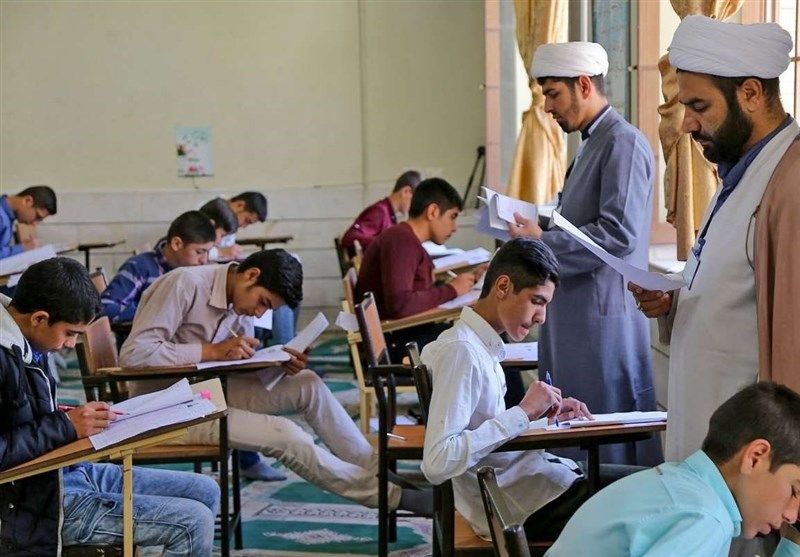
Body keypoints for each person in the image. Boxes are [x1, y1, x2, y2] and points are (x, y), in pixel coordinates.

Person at [118, 250, 428, 514]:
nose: (259, 312)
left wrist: (278, 363)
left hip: (208, 392)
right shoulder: (185, 283)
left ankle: (378, 472)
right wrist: (212, 350)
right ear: (250, 275)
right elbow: (133, 354)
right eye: (263, 303)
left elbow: (227, 365)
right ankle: (394, 497)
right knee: (285, 434)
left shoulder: (237, 299)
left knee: (307, 382)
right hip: (167, 407)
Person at [628, 16, 799, 461]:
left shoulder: (790, 183)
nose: (687, 124)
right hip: (710, 437)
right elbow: (735, 292)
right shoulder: (738, 172)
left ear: (751, 93)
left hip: (754, 458)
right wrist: (675, 302)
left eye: (700, 107)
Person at [0, 257, 219, 555]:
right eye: (70, 334)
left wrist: (62, 415)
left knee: (205, 490)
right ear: (39, 318)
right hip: (32, 504)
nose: (69, 345)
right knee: (193, 521)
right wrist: (65, 426)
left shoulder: (25, 337)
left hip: (62, 473)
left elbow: (17, 416)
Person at [421, 238, 635, 540]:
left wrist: (537, 417)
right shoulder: (463, 351)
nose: (541, 317)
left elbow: (480, 427)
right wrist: (522, 412)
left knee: (653, 485)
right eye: (537, 301)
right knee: (654, 499)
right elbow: (438, 461)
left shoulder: (478, 345)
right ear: (503, 287)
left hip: (524, 486)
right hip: (514, 505)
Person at [508, 42, 659, 465]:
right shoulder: (591, 145)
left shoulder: (622, 143)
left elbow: (617, 234)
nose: (548, 109)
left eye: (553, 94)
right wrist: (537, 221)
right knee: (570, 435)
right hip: (577, 317)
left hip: (601, 322)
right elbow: (576, 220)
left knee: (603, 444)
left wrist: (541, 242)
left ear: (584, 85)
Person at [546, 382, 800, 557]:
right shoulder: (703, 517)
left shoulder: (677, 486)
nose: (791, 515)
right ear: (755, 458)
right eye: (794, 491)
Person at [355, 177, 484, 360]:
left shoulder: (406, 239)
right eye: (452, 216)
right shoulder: (401, 241)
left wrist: (467, 280)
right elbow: (400, 304)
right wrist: (452, 289)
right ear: (433, 211)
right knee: (482, 337)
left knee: (481, 331)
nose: (454, 227)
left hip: (406, 334)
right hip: (398, 343)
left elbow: (415, 289)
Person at [101, 210, 216, 323]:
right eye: (199, 252)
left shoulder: (194, 273)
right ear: (176, 244)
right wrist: (155, 314)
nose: (204, 260)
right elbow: (105, 308)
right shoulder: (140, 267)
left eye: (208, 252)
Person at [341, 170, 421, 254]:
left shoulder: (389, 214)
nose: (414, 206)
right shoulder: (380, 212)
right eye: (414, 200)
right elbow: (349, 238)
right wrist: (387, 242)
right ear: (406, 192)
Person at [0, 185, 57, 259]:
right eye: (37, 217)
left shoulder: (7, 216)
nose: (34, 223)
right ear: (27, 201)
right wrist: (23, 248)